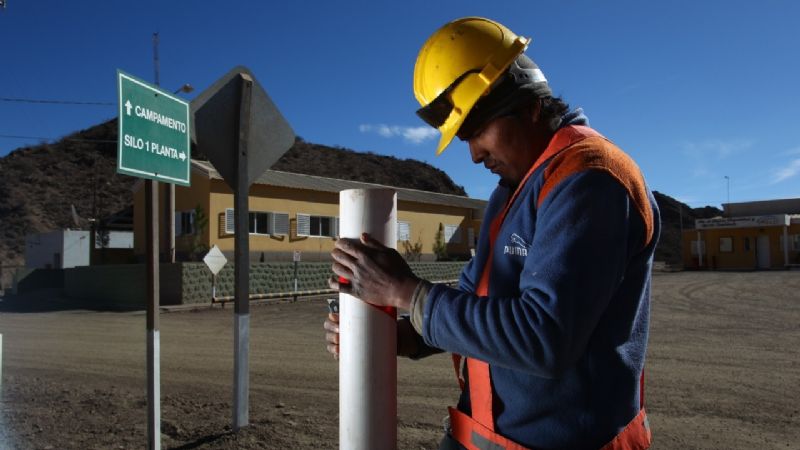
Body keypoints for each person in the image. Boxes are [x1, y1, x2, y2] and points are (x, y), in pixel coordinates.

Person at [324, 17, 659, 450]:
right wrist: (397, 335)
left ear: (529, 106)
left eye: (479, 129)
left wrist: (407, 292)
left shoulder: (591, 180)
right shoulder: (514, 189)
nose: (474, 153)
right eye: (464, 136)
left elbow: (543, 338)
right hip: (482, 435)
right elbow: (476, 301)